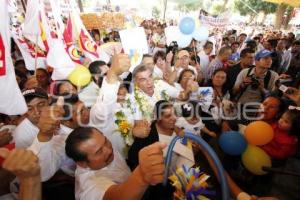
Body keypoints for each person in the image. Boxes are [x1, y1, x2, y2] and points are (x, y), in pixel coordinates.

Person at [65, 127, 166, 200]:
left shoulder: (105, 148)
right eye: (99, 152)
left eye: (105, 141)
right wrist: (142, 176)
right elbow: (117, 197)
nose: (108, 150)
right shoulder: (88, 187)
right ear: (82, 164)